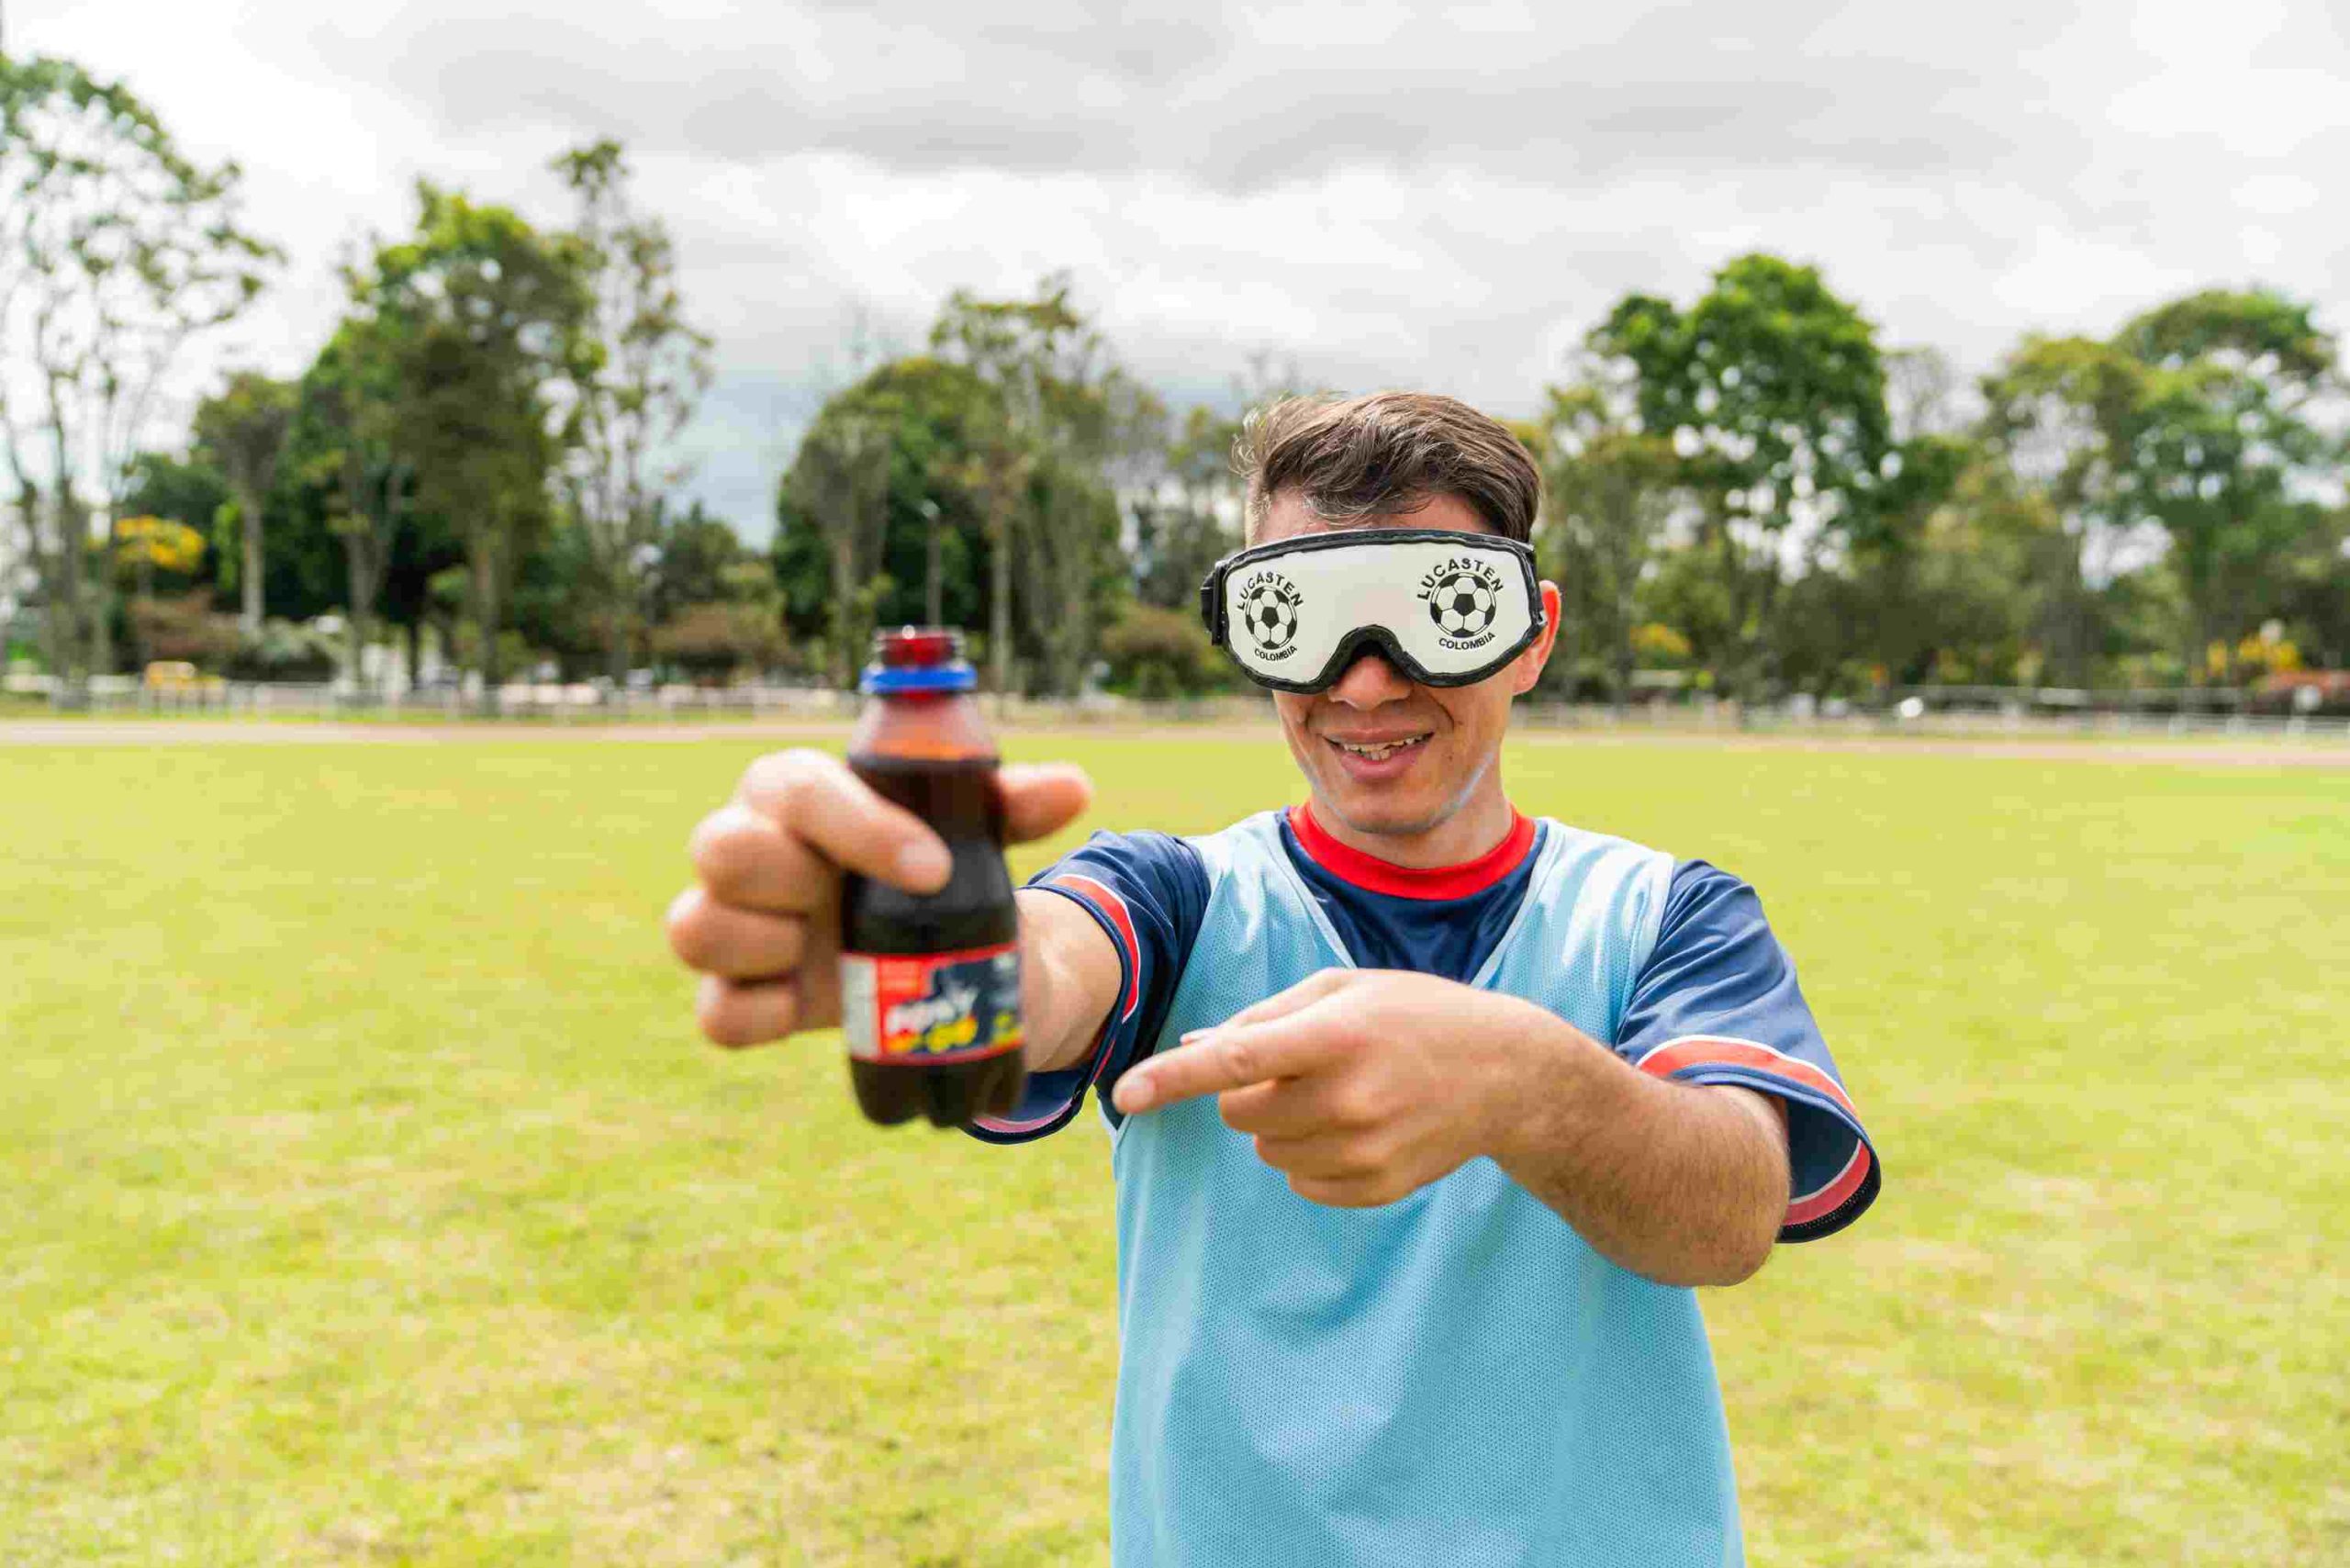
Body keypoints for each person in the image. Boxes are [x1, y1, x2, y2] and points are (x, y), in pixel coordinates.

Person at [666, 392, 1880, 1567]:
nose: (1361, 682)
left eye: (1431, 614)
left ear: (1532, 634)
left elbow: (1732, 1212)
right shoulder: (1174, 901)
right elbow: (1049, 967)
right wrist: (924, 923)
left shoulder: (1664, 915)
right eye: (1296, 620)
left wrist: (1519, 1080)